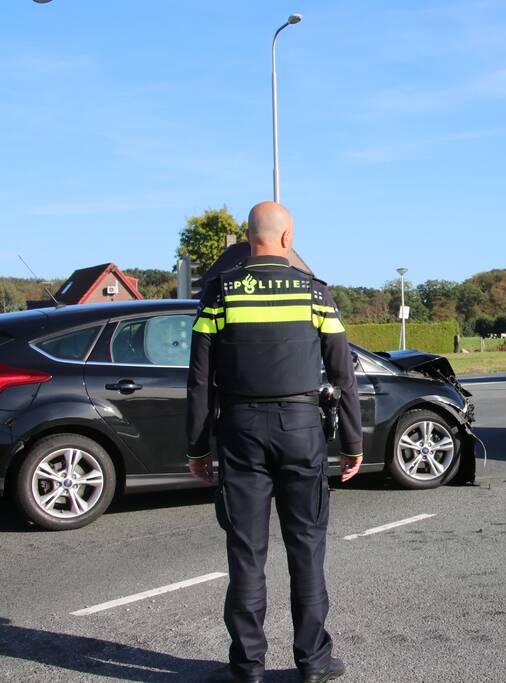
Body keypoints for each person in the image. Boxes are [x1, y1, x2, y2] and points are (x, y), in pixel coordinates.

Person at [186, 201, 363, 683]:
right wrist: (352, 442)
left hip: (240, 430)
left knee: (246, 552)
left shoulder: (220, 293)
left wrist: (198, 448)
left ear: (248, 239)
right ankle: (313, 660)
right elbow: (344, 375)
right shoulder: (315, 293)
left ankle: (247, 667)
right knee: (306, 546)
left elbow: (200, 379)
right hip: (301, 428)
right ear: (288, 239)